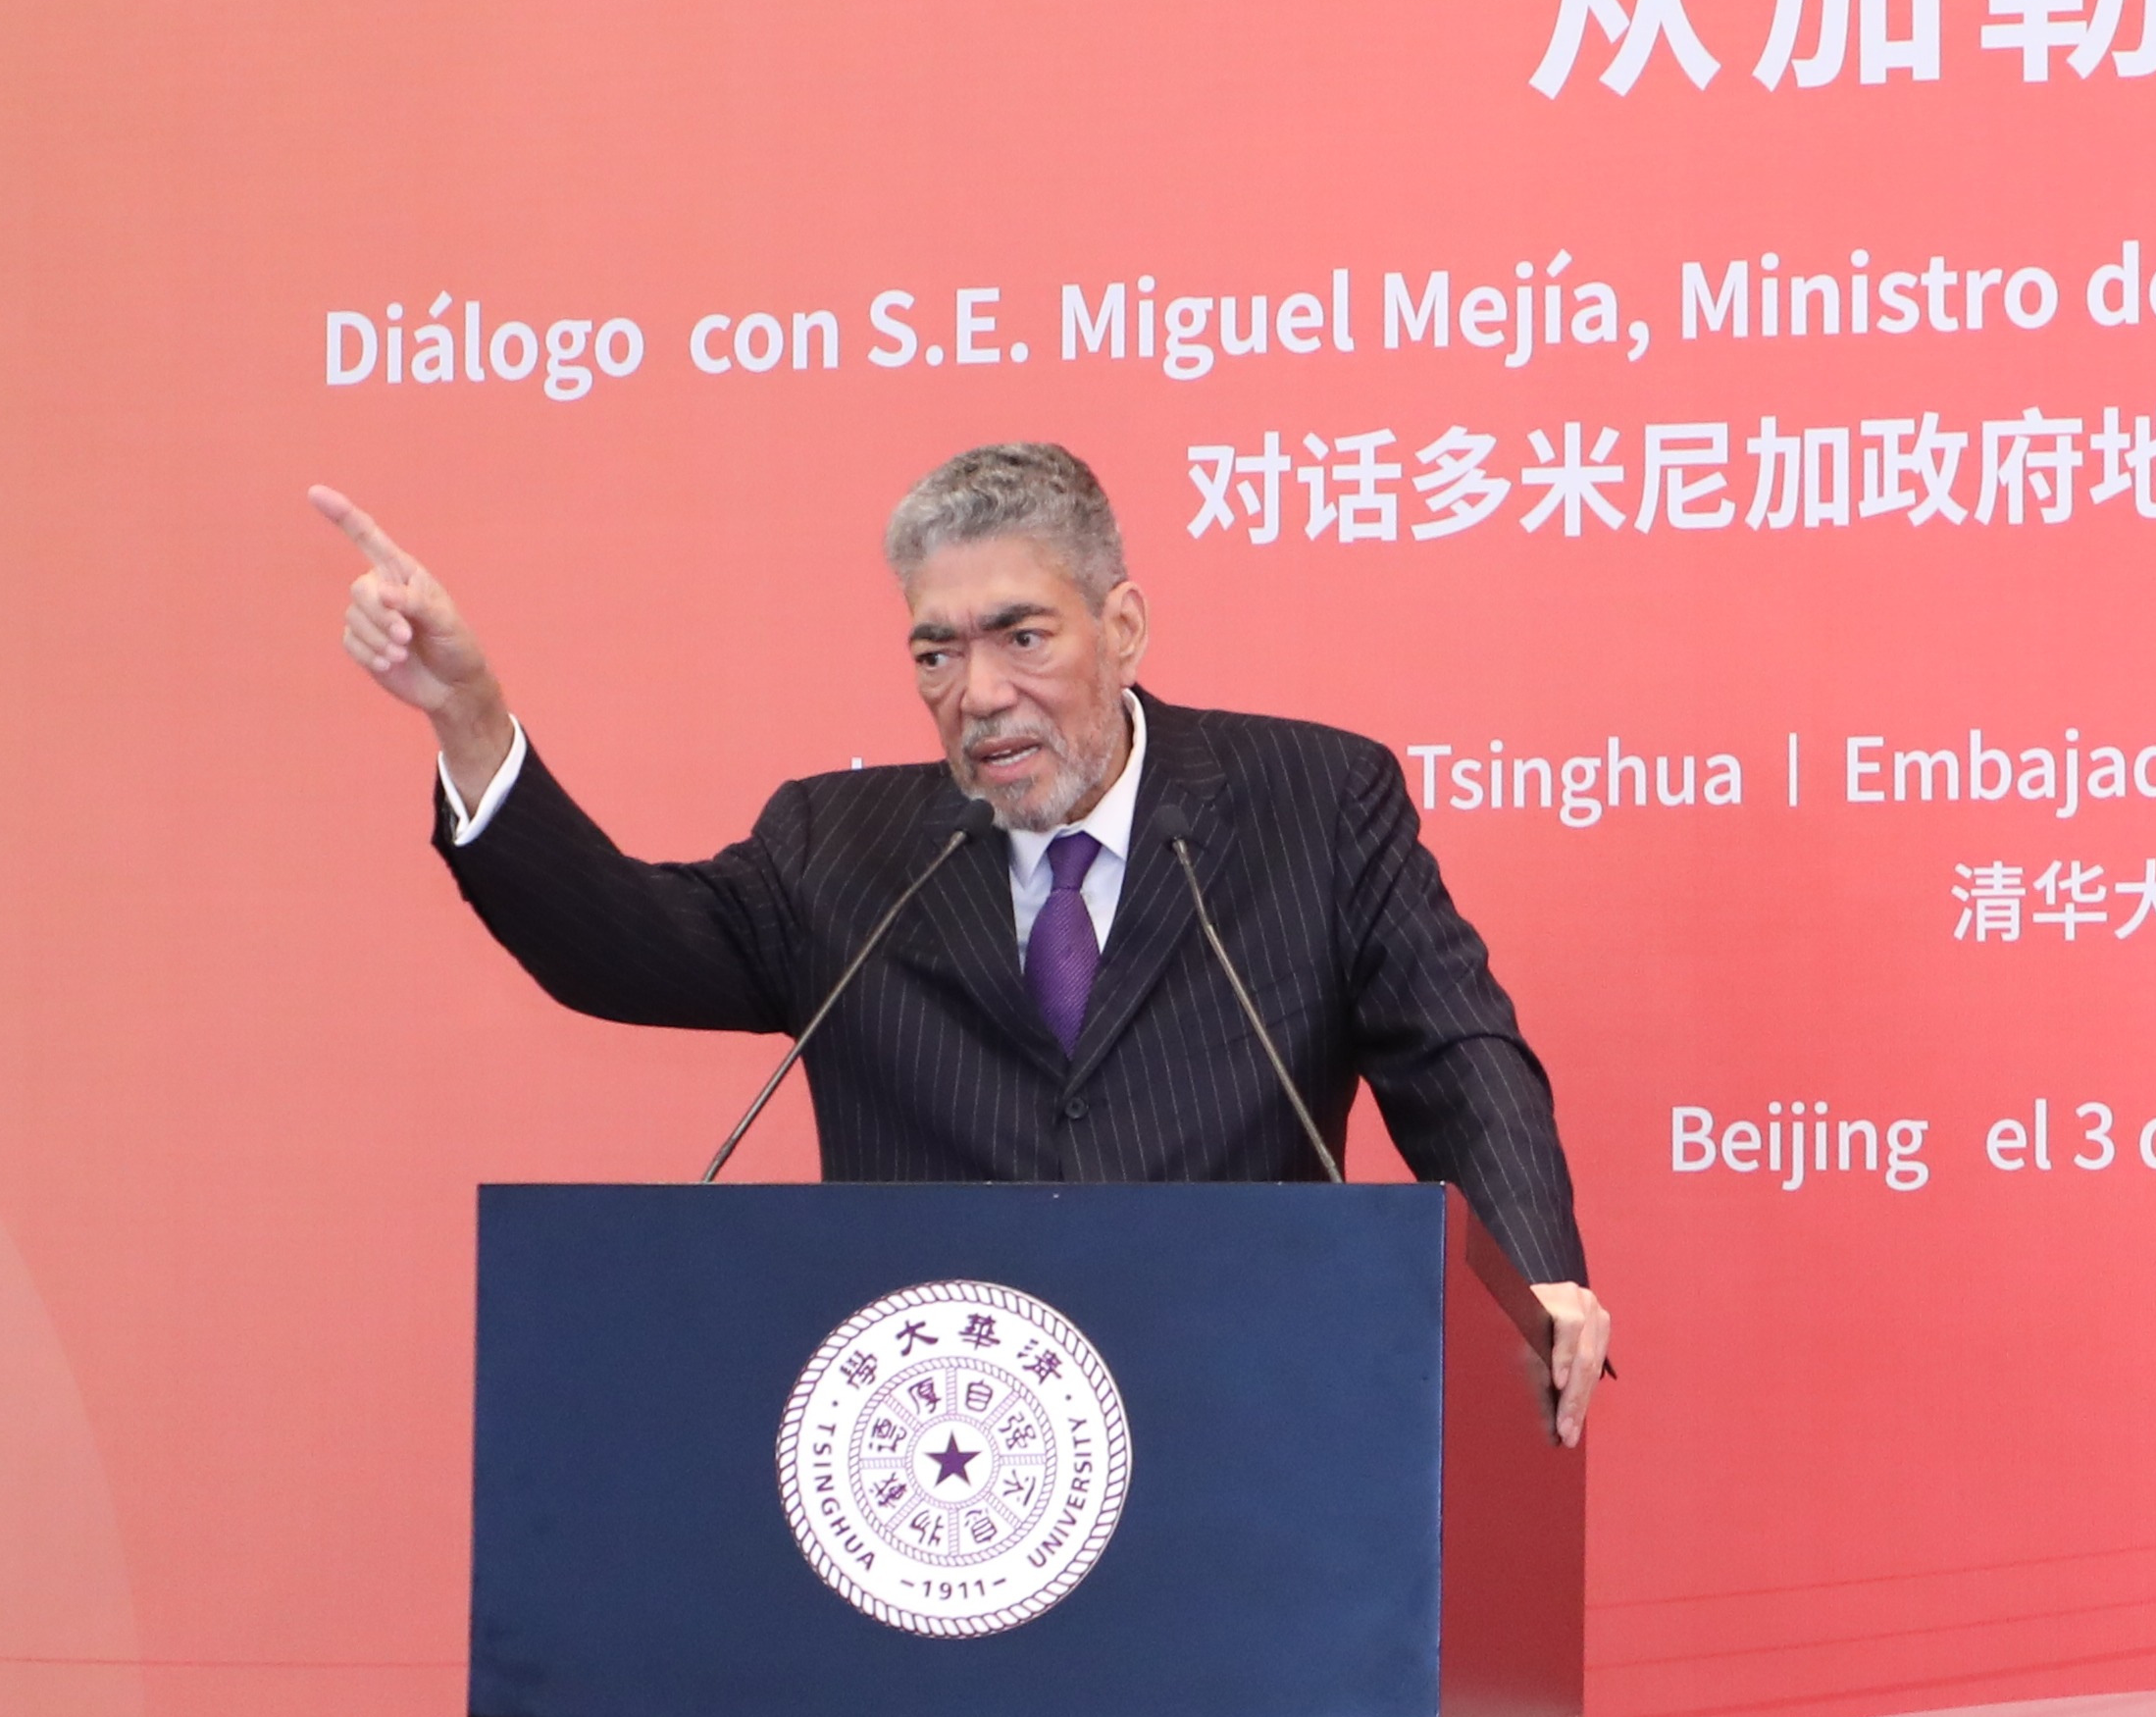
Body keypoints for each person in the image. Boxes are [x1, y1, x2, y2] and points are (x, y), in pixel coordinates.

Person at [313, 441, 1611, 1441]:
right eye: (936, 653)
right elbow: (619, 945)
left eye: (1022, 638)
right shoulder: (841, 843)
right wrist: (469, 715)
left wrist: (1534, 1281)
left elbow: (1453, 1052)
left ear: (1122, 627)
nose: (978, 694)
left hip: (1244, 1407)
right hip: (940, 1451)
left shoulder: (1313, 801)